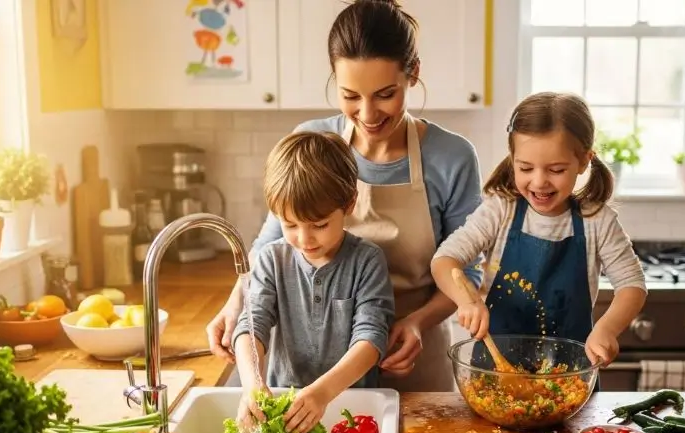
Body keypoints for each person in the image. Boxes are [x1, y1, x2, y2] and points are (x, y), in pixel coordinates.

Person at [207, 0, 483, 392]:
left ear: (413, 73)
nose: (368, 113)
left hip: (411, 354)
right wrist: (237, 302)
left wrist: (417, 323)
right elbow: (270, 248)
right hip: (313, 359)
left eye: (385, 94)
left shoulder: (452, 157)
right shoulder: (313, 141)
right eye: (350, 95)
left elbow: (465, 273)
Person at [430, 92, 647, 371]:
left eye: (556, 169)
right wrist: (467, 301)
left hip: (570, 378)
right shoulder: (501, 211)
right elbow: (444, 260)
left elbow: (632, 286)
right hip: (496, 374)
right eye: (526, 168)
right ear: (513, 160)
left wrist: (607, 329)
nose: (539, 181)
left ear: (583, 161)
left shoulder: (598, 221)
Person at [232, 131, 396, 433]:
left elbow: (371, 340)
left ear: (349, 204)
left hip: (352, 410)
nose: (304, 239)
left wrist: (322, 393)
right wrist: (253, 384)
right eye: (290, 224)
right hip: (284, 409)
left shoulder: (367, 261)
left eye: (319, 225)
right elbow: (251, 327)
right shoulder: (271, 259)